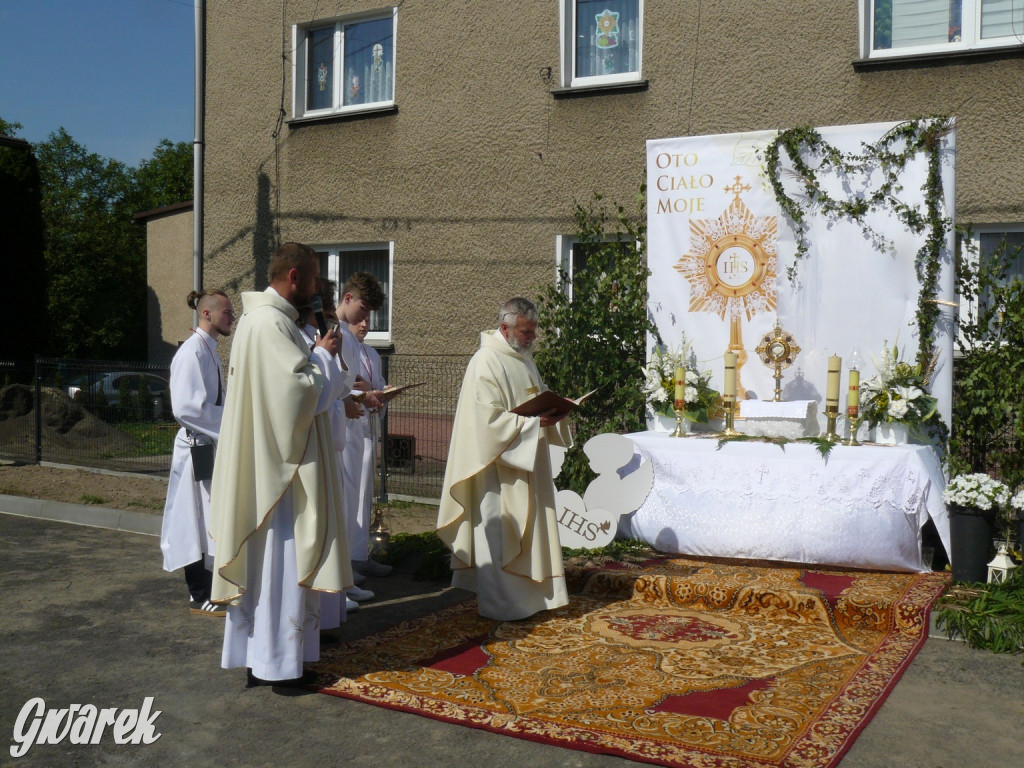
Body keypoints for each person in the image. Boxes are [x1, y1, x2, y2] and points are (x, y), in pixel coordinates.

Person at [210, 242, 354, 686]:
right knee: (279, 567)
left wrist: (321, 359)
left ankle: (268, 660)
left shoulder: (270, 322)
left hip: (275, 467)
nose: (315, 289)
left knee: (273, 569)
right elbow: (297, 396)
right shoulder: (269, 324)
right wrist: (326, 356)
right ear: (294, 277)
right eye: (312, 279)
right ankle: (277, 666)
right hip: (280, 479)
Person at [436, 297, 571, 621]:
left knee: (528, 531)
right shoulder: (486, 361)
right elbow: (486, 424)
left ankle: (532, 600)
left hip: (527, 463)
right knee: (500, 536)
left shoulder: (523, 359)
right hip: (496, 471)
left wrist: (556, 409)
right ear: (505, 327)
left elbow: (534, 397)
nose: (532, 338)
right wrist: (532, 424)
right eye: (527, 331)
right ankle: (503, 607)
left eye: (533, 331)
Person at [160, 289, 235, 616]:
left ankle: (212, 586)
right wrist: (232, 421)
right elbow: (187, 408)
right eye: (227, 312)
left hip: (209, 445)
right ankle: (197, 592)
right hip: (195, 450)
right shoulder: (192, 353)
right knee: (192, 520)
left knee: (208, 519)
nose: (231, 317)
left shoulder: (210, 351)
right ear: (206, 314)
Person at [335, 272, 393, 583]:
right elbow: (333, 386)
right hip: (341, 428)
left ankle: (356, 558)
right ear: (347, 299)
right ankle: (346, 568)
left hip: (361, 427)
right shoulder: (334, 334)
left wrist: (374, 393)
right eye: (364, 310)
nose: (366, 320)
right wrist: (361, 393)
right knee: (344, 501)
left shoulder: (364, 349)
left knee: (359, 496)